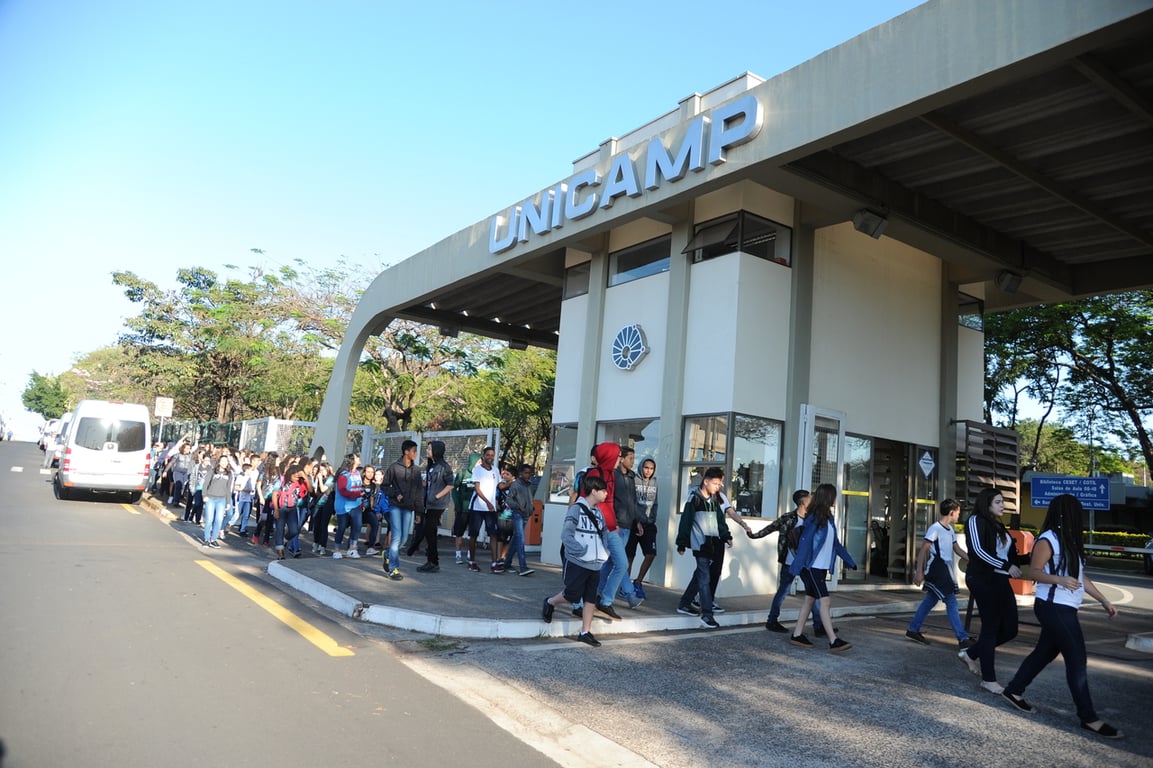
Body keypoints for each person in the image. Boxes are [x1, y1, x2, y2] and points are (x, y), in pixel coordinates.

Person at [1000, 494, 1123, 739]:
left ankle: (1013, 690)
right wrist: (1060, 579)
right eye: (1076, 511)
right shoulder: (1048, 539)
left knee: (1045, 652)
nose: (1080, 516)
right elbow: (1034, 572)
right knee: (1077, 659)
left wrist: (1104, 600)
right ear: (1067, 513)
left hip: (1065, 607)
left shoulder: (1069, 540)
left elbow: (1080, 576)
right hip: (1053, 606)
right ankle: (1089, 718)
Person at [959, 487, 1030, 693]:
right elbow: (978, 552)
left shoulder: (998, 525)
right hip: (981, 579)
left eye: (1003, 502)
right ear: (986, 503)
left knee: (1010, 629)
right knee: (990, 627)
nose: (1003, 505)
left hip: (999, 580)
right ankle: (988, 680)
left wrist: (1031, 558)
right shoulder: (975, 521)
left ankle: (971, 653)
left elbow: (1011, 557)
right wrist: (1006, 566)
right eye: (998, 502)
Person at [541, 473, 611, 647]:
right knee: (572, 594)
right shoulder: (576, 509)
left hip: (595, 563)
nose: (606, 494)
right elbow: (566, 534)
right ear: (593, 491)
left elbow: (604, 533)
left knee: (590, 598)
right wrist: (580, 551)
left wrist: (605, 551)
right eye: (603, 490)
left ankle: (585, 632)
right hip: (578, 561)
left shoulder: (598, 512)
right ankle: (551, 602)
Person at [789, 483, 856, 652]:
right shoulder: (815, 518)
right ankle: (833, 640)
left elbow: (835, 544)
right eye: (833, 496)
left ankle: (797, 635)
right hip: (812, 567)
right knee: (825, 601)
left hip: (821, 567)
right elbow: (805, 541)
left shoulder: (828, 518)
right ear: (827, 497)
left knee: (810, 599)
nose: (835, 499)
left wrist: (849, 561)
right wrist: (798, 566)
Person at [749, 489, 821, 634]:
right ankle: (772, 621)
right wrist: (753, 535)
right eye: (809, 497)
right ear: (803, 501)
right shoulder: (788, 518)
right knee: (783, 591)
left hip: (805, 563)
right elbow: (771, 528)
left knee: (812, 592)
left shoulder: (812, 518)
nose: (812, 500)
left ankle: (819, 625)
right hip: (790, 562)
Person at [904, 499, 973, 649]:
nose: (959, 515)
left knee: (930, 600)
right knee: (951, 601)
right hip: (938, 568)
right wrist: (919, 571)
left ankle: (913, 629)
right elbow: (924, 549)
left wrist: (972, 559)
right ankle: (962, 638)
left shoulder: (950, 530)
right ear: (951, 512)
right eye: (958, 512)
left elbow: (957, 549)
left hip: (945, 568)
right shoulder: (935, 528)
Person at [675, 467, 732, 629]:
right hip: (700, 543)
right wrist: (682, 543)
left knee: (700, 575)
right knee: (705, 578)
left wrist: (726, 535)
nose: (718, 487)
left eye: (719, 484)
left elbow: (720, 521)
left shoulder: (714, 501)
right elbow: (685, 521)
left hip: (712, 543)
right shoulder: (694, 499)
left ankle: (685, 603)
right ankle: (707, 614)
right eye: (715, 483)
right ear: (706, 481)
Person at [602, 446, 643, 610]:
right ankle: (629, 594)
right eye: (630, 458)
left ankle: (597, 592)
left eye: (634, 458)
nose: (633, 461)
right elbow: (609, 501)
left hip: (628, 525)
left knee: (611, 562)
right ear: (622, 459)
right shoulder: (613, 475)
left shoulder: (632, 476)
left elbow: (633, 501)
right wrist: (614, 523)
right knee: (621, 562)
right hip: (616, 526)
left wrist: (637, 521)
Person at [380, 440, 424, 580]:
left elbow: (419, 492)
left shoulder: (416, 470)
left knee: (404, 539)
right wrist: (395, 494)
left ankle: (387, 554)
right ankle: (393, 569)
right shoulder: (394, 468)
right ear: (406, 452)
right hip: (395, 507)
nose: (416, 453)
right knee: (396, 537)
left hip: (409, 508)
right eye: (414, 451)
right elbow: (384, 486)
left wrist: (419, 512)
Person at [465, 446, 505, 573]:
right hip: (478, 507)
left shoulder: (495, 470)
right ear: (483, 456)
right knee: (474, 535)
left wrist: (512, 482)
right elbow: (477, 489)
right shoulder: (478, 470)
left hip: (490, 509)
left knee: (493, 534)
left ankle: (494, 563)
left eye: (492, 455)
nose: (490, 457)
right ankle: (471, 561)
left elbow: (500, 485)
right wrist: (487, 502)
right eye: (488, 455)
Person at [416, 440, 454, 573]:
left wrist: (437, 496)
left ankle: (433, 562)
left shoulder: (444, 466)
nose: (427, 451)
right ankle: (431, 560)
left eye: (429, 449)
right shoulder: (432, 466)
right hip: (430, 504)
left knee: (429, 531)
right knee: (429, 532)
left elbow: (450, 484)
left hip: (438, 504)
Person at [626, 457, 658, 599]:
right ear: (641, 467)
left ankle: (638, 582)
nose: (648, 471)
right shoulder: (633, 481)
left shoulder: (655, 483)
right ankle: (626, 586)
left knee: (651, 554)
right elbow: (631, 503)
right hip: (633, 524)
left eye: (651, 468)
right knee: (629, 556)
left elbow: (655, 503)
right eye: (646, 467)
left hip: (648, 525)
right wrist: (636, 520)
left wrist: (651, 519)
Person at [500, 463, 536, 576]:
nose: (528, 475)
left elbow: (529, 499)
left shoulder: (529, 485)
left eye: (529, 473)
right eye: (526, 473)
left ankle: (507, 562)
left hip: (526, 514)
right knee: (520, 539)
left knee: (516, 539)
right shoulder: (516, 485)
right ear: (520, 473)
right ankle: (523, 566)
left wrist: (531, 507)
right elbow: (509, 500)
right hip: (518, 514)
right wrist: (518, 506)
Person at [332, 453, 365, 559]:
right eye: (357, 457)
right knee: (342, 527)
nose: (359, 458)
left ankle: (352, 548)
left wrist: (361, 500)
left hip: (356, 504)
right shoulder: (344, 475)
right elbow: (343, 491)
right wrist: (357, 494)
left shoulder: (358, 473)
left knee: (357, 526)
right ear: (352, 460)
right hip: (343, 506)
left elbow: (358, 487)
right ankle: (336, 549)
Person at [199, 453, 236, 549]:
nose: (224, 463)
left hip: (222, 499)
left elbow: (228, 489)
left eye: (226, 461)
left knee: (219, 520)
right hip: (211, 498)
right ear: (219, 462)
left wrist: (228, 502)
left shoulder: (229, 474)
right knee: (209, 520)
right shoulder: (212, 471)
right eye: (223, 461)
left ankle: (213, 539)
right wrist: (204, 495)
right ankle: (207, 539)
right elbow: (206, 484)